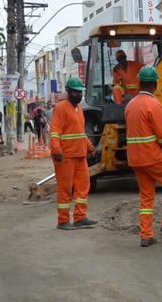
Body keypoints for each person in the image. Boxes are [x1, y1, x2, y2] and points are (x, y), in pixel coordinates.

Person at [124, 66, 162, 247]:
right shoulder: (154, 104)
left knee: (146, 196)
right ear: (155, 84)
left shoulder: (130, 105)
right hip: (152, 156)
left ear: (140, 83)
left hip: (135, 158)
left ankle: (146, 235)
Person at [50, 77, 98, 230]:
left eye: (80, 92)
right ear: (69, 91)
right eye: (76, 92)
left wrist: (90, 148)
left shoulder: (79, 110)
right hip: (65, 157)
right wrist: (56, 150)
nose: (79, 95)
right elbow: (55, 131)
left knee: (83, 186)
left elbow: (80, 133)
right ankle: (63, 220)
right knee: (65, 188)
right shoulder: (60, 108)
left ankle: (80, 217)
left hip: (79, 155)